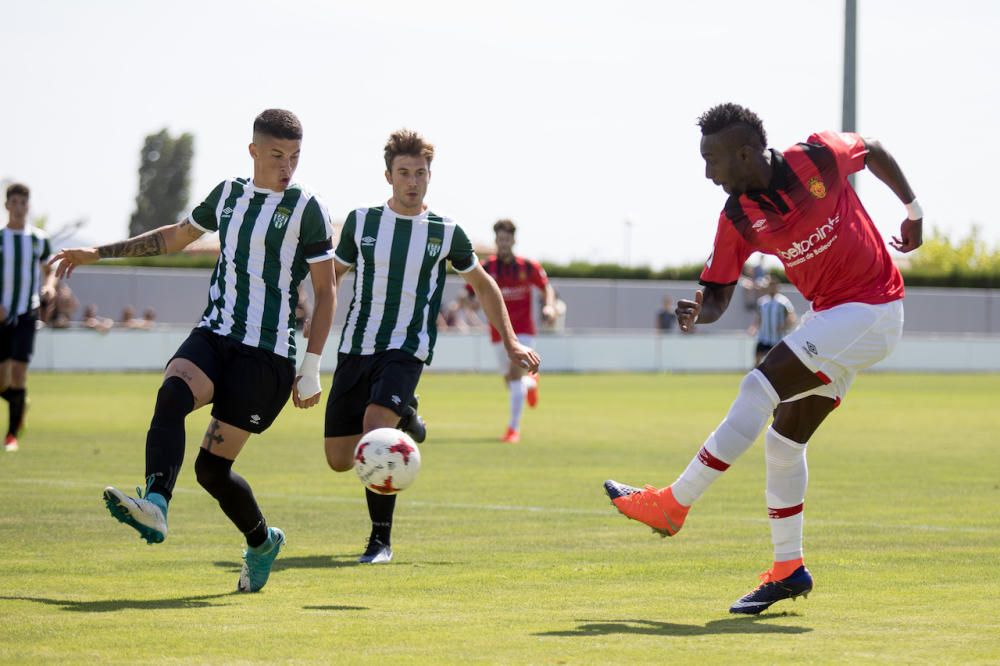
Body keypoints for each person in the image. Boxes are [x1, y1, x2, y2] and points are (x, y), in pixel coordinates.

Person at [604, 103, 923, 614]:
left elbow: (875, 151)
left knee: (758, 387)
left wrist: (914, 212)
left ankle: (673, 504)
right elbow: (718, 294)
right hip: (837, 320)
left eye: (713, 159)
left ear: (746, 154)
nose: (707, 172)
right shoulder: (736, 216)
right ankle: (787, 568)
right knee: (782, 441)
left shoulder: (816, 156)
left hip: (873, 307)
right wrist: (698, 313)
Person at [50, 109, 337, 593]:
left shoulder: (308, 209)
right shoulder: (227, 195)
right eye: (276, 155)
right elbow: (175, 236)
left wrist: (310, 367)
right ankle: (156, 504)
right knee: (171, 395)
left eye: (294, 157)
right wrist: (99, 252)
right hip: (215, 332)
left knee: (212, 470)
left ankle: (262, 541)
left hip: (266, 356)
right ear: (253, 152)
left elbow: (326, 292)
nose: (287, 166)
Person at [324, 129, 540, 564]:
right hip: (356, 347)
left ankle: (380, 541)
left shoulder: (445, 230)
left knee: (376, 432)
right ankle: (407, 413)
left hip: (407, 348)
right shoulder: (361, 222)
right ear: (388, 175)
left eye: (420, 173)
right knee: (340, 459)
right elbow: (330, 277)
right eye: (404, 173)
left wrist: (512, 341)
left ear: (429, 176)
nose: (412, 182)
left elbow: (484, 284)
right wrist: (305, 321)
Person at [468, 219, 556, 443]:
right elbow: (472, 291)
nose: (503, 243)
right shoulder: (487, 267)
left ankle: (513, 429)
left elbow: (546, 288)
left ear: (513, 240)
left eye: (507, 239)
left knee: (515, 378)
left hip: (524, 332)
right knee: (510, 380)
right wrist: (466, 302)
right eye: (500, 239)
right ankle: (531, 383)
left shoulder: (528, 266)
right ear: (496, 240)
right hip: (498, 333)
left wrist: (549, 306)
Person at [1, 183, 57, 452]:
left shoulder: (38, 239)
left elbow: (49, 271)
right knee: (3, 381)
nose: (20, 207)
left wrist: (50, 286)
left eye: (24, 202)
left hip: (27, 312)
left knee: (20, 373)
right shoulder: (0, 238)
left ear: (28, 206)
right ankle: (19, 402)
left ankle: (11, 436)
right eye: (15, 202)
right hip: (0, 315)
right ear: (7, 205)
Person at [748, 276, 796, 365]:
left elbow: (791, 316)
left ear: (777, 287)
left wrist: (785, 325)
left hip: (777, 338)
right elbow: (759, 317)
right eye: (770, 285)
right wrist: (754, 327)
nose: (771, 288)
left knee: (779, 362)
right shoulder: (762, 301)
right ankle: (757, 376)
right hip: (763, 337)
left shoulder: (783, 301)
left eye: (773, 285)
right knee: (757, 361)